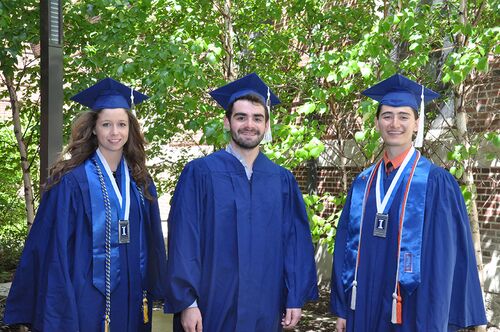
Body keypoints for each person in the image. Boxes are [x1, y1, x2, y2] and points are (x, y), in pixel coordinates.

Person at [3, 78, 168, 331]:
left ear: (130, 129)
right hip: (87, 296)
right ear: (94, 129)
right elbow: (52, 247)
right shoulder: (71, 183)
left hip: (134, 294)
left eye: (121, 124)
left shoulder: (140, 181)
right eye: (106, 125)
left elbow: (153, 241)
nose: (115, 133)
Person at [330, 73, 487, 332]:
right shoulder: (363, 183)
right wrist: (342, 308)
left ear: (416, 123)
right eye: (387, 116)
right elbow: (346, 249)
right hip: (364, 306)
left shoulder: (436, 184)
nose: (395, 123)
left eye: (404, 116)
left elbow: (444, 262)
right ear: (378, 123)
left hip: (414, 310)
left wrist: (434, 318)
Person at [164, 73, 319, 332]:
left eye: (258, 118)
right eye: (241, 117)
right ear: (227, 122)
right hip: (212, 305)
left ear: (267, 126)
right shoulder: (200, 173)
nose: (250, 124)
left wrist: (294, 296)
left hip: (265, 305)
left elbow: (294, 242)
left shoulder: (281, 180)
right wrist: (187, 302)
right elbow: (184, 240)